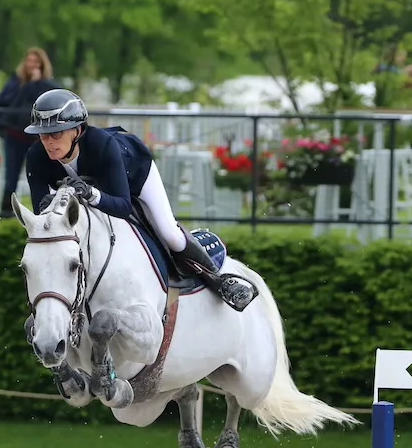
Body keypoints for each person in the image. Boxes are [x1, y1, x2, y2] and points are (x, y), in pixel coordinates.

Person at [22, 88, 254, 311]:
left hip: (135, 178)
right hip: (91, 193)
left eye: (56, 134)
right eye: (43, 135)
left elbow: (123, 206)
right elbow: (43, 219)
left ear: (78, 131)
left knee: (169, 233)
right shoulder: (36, 157)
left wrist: (91, 193)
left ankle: (219, 280)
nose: (49, 142)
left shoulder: (102, 146)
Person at [0, 47, 59, 218]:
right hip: (15, 137)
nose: (32, 65)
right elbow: (5, 103)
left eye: (36, 62)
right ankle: (5, 216)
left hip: (38, 140)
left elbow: (48, 102)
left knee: (42, 177)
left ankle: (45, 214)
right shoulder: (15, 83)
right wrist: (4, 124)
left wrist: (36, 84)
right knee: (11, 178)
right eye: (29, 61)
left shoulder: (47, 86)